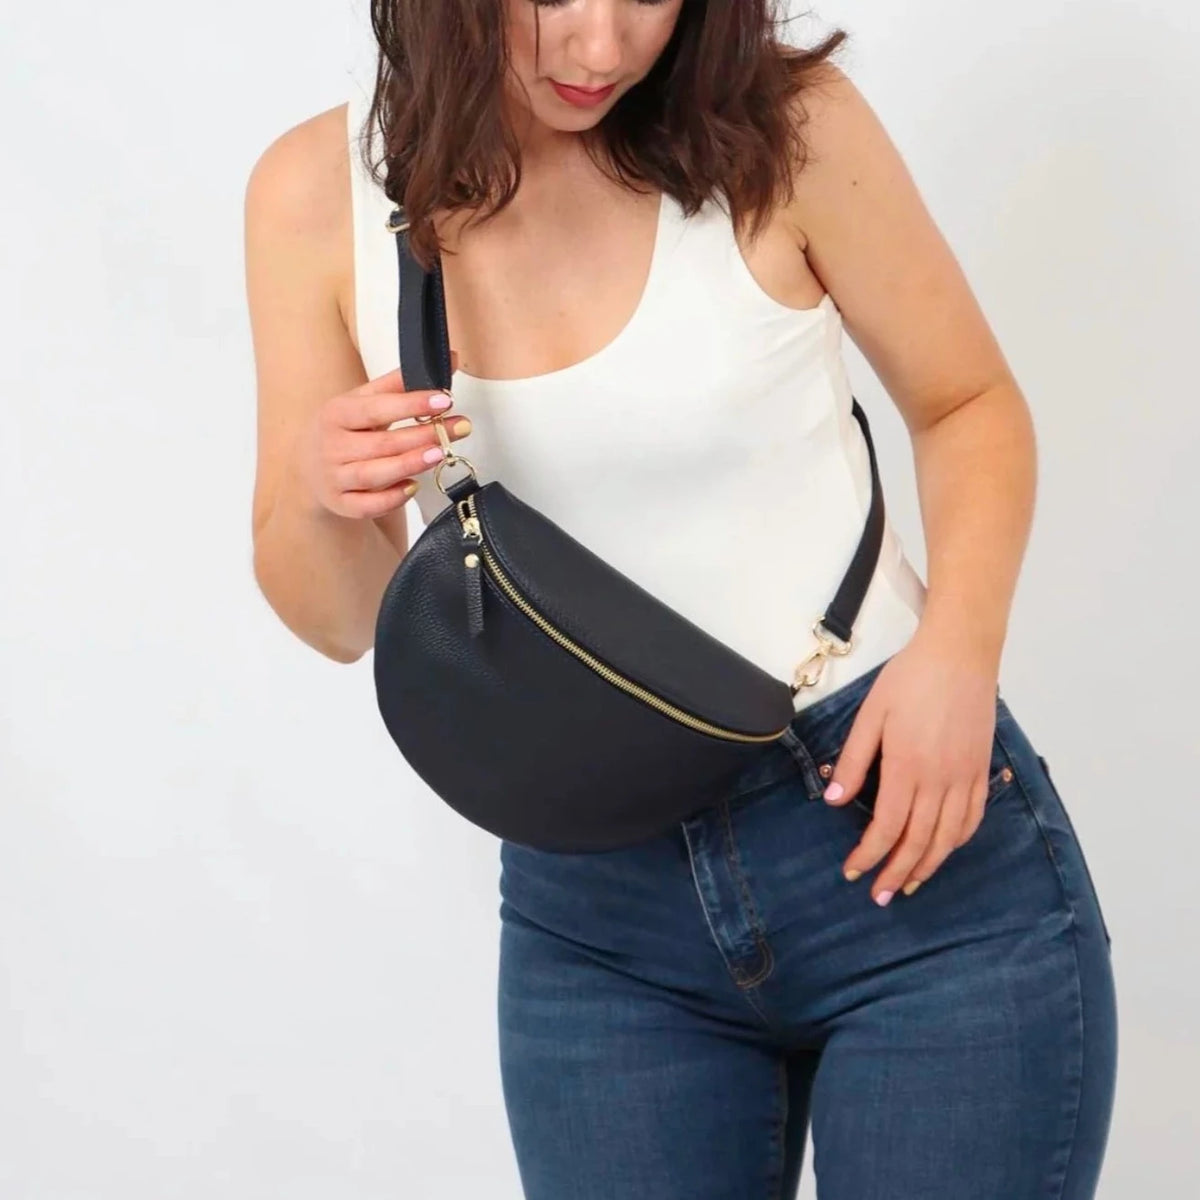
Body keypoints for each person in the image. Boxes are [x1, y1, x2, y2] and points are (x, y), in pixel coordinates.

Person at [245, 2, 1117, 1196]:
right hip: (598, 922)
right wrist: (322, 490)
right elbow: (343, 623)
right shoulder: (316, 196)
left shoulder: (785, 128)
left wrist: (958, 655)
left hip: (901, 838)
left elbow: (967, 403)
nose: (601, 49)